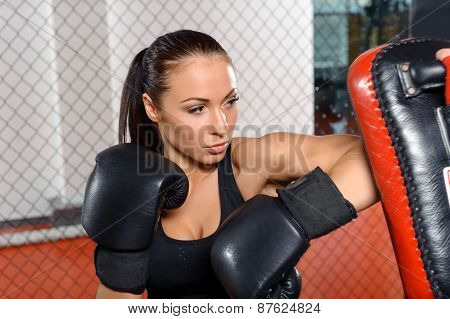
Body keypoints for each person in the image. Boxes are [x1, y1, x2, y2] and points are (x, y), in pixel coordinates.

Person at [83, 29, 383, 299]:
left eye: (230, 101)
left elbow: (377, 157)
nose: (222, 124)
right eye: (197, 108)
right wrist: (120, 263)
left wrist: (293, 218)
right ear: (152, 107)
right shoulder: (133, 189)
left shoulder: (249, 164)